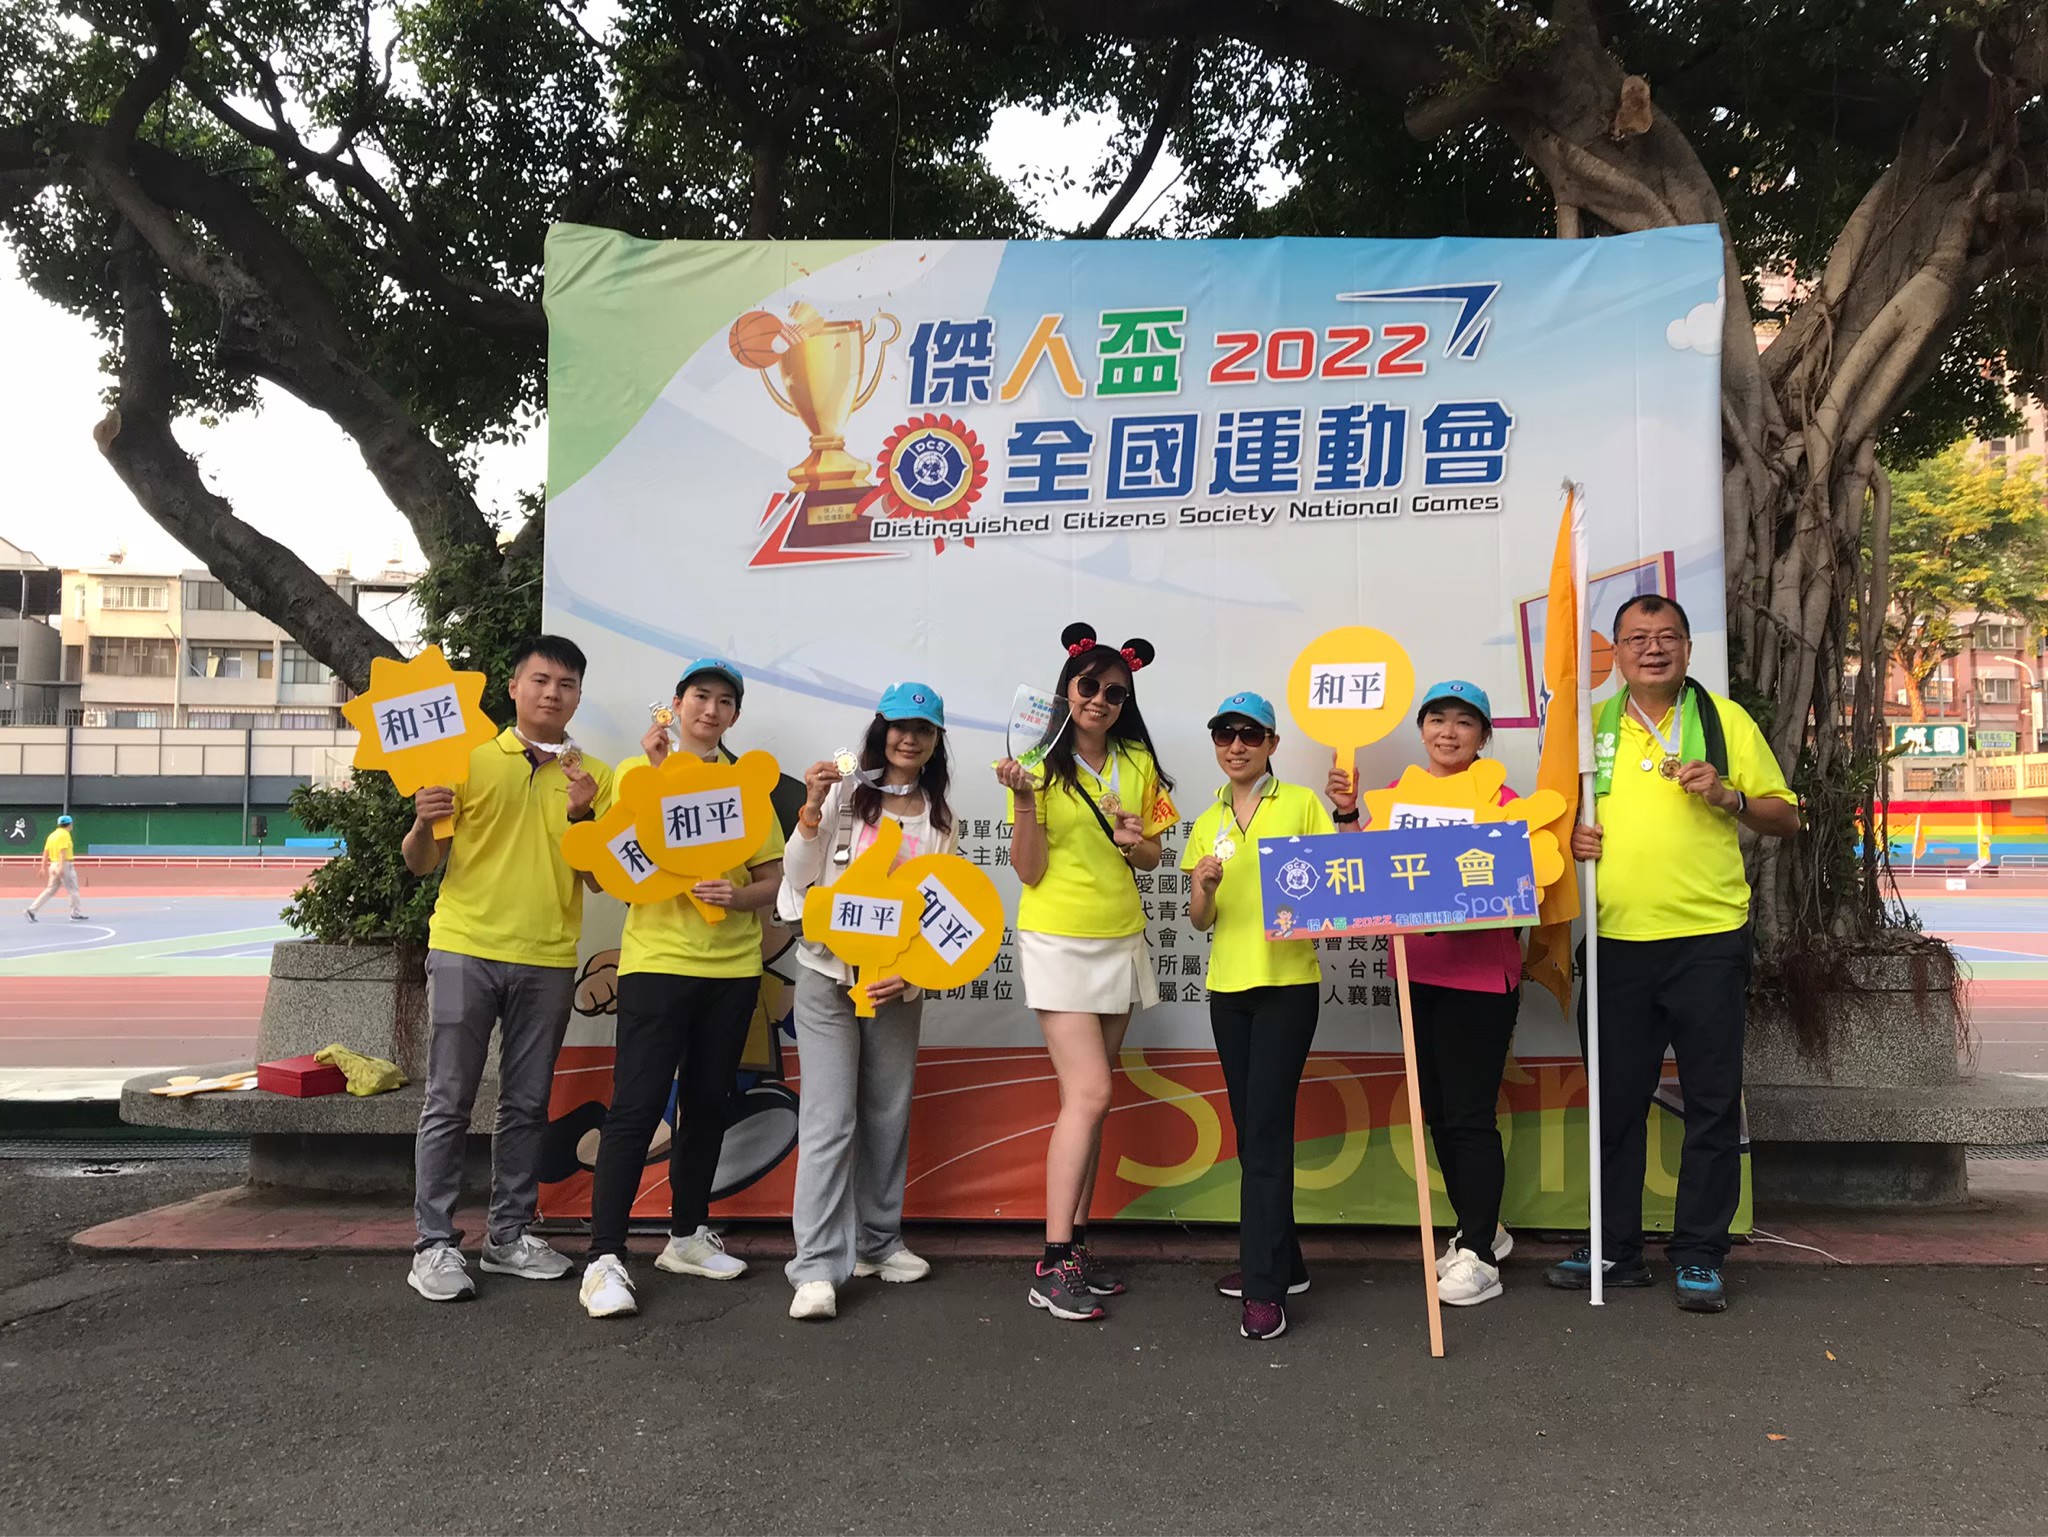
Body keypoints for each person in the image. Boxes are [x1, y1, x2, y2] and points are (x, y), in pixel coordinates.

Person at [1546, 595, 1799, 1313]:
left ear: (1689, 648)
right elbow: (1548, 824)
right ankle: (1614, 1250)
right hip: (1616, 942)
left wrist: (1729, 796)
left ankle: (1699, 1254)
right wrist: (1570, 839)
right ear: (1617, 652)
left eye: (1666, 637)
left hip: (1708, 941)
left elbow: (1786, 815)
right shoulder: (1589, 727)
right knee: (1614, 1107)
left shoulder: (1723, 721)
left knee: (1711, 1102)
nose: (1652, 648)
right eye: (1637, 638)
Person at [403, 635, 612, 1302]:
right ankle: (433, 1245)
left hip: (547, 956)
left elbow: (603, 879)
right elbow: (421, 863)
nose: (553, 693)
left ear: (578, 696)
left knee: (525, 1103)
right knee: (449, 1099)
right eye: (541, 680)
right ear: (515, 687)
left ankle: (509, 1236)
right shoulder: (464, 759)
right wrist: (421, 823)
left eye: (566, 684)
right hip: (465, 947)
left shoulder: (595, 776)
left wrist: (584, 815)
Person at [579, 658, 787, 1320]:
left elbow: (774, 880)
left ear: (735, 716)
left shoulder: (745, 786)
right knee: (637, 1107)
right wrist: (655, 779)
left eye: (725, 701)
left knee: (707, 1104)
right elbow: (608, 870)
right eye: (701, 696)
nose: (711, 708)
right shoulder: (635, 773)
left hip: (732, 970)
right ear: (676, 703)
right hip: (657, 962)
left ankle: (687, 1235)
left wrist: (737, 895)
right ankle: (604, 1258)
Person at [995, 621, 1176, 1322]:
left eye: (1114, 692)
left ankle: (1075, 1247)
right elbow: (1028, 869)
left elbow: (1152, 856)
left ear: (1127, 701)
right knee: (1091, 1093)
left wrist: (1134, 843)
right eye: (1089, 686)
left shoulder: (1139, 762)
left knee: (1091, 1102)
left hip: (1120, 936)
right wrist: (1022, 800)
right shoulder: (1035, 761)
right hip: (1058, 940)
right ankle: (1051, 1260)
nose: (1099, 699)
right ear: (1066, 689)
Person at [1330, 680, 1524, 1309]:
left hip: (1481, 980)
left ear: (1483, 736)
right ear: (1421, 730)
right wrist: (1347, 814)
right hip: (1415, 974)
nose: (1448, 732)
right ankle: (1481, 1228)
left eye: (1464, 722)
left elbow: (1522, 882)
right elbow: (1358, 876)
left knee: (1468, 1115)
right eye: (1437, 719)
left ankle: (1479, 1255)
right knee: (1437, 1112)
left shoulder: (1502, 800)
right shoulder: (1394, 798)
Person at [776, 683, 956, 1321]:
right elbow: (798, 876)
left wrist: (908, 978)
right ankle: (816, 1267)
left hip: (895, 986)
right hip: (827, 976)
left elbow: (941, 914)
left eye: (924, 730)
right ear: (881, 731)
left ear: (936, 743)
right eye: (899, 726)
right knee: (830, 1121)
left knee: (886, 1113)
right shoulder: (845, 794)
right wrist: (809, 812)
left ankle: (878, 1243)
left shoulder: (939, 819)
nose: (909, 738)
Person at [1183, 692, 1332, 1341]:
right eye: (1225, 734)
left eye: (1250, 734)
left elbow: (1329, 890)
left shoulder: (1299, 803)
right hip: (1228, 989)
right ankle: (1286, 1262)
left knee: (1267, 1132)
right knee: (1252, 1133)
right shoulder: (1207, 817)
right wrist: (1203, 888)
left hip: (1287, 987)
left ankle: (1263, 1288)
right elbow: (1200, 921)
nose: (1236, 745)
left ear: (1272, 743)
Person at [25, 814, 85, 922]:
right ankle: (75, 914)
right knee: (73, 890)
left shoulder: (52, 835)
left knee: (50, 890)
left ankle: (32, 910)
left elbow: (46, 852)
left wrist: (43, 867)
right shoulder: (64, 835)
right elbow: (62, 851)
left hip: (53, 864)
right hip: (64, 864)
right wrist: (61, 867)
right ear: (70, 824)